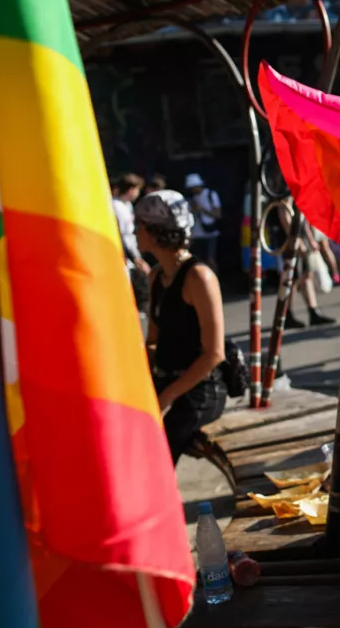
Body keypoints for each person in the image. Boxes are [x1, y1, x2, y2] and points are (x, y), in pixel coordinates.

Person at [136, 190, 227, 464]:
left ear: (155, 233)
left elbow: (214, 354)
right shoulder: (155, 276)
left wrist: (164, 398)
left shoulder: (199, 277)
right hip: (167, 381)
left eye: (139, 225)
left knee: (157, 451)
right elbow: (153, 339)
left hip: (199, 389)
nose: (134, 231)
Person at [277, 198, 337, 328]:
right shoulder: (288, 186)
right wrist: (296, 241)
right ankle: (286, 315)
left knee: (305, 275)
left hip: (300, 235)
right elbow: (284, 212)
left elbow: (304, 215)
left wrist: (309, 239)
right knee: (293, 278)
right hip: (293, 239)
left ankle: (313, 311)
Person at [111, 173, 150, 313]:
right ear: (131, 189)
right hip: (123, 254)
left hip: (131, 252)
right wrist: (134, 257)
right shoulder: (116, 206)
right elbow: (120, 236)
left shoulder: (127, 205)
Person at [186, 173, 222, 272]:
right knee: (197, 261)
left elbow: (218, 214)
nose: (191, 190)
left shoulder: (211, 194)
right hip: (197, 235)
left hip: (210, 233)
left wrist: (201, 209)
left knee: (211, 260)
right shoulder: (191, 199)